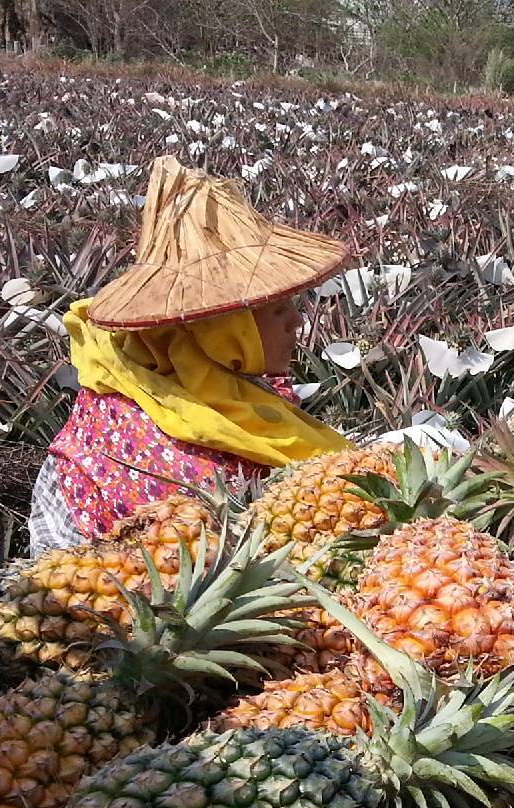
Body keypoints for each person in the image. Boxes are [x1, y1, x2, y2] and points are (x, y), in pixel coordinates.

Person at [28, 155, 352, 551]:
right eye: (280, 309)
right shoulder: (196, 467)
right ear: (222, 327)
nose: (297, 322)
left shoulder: (147, 371)